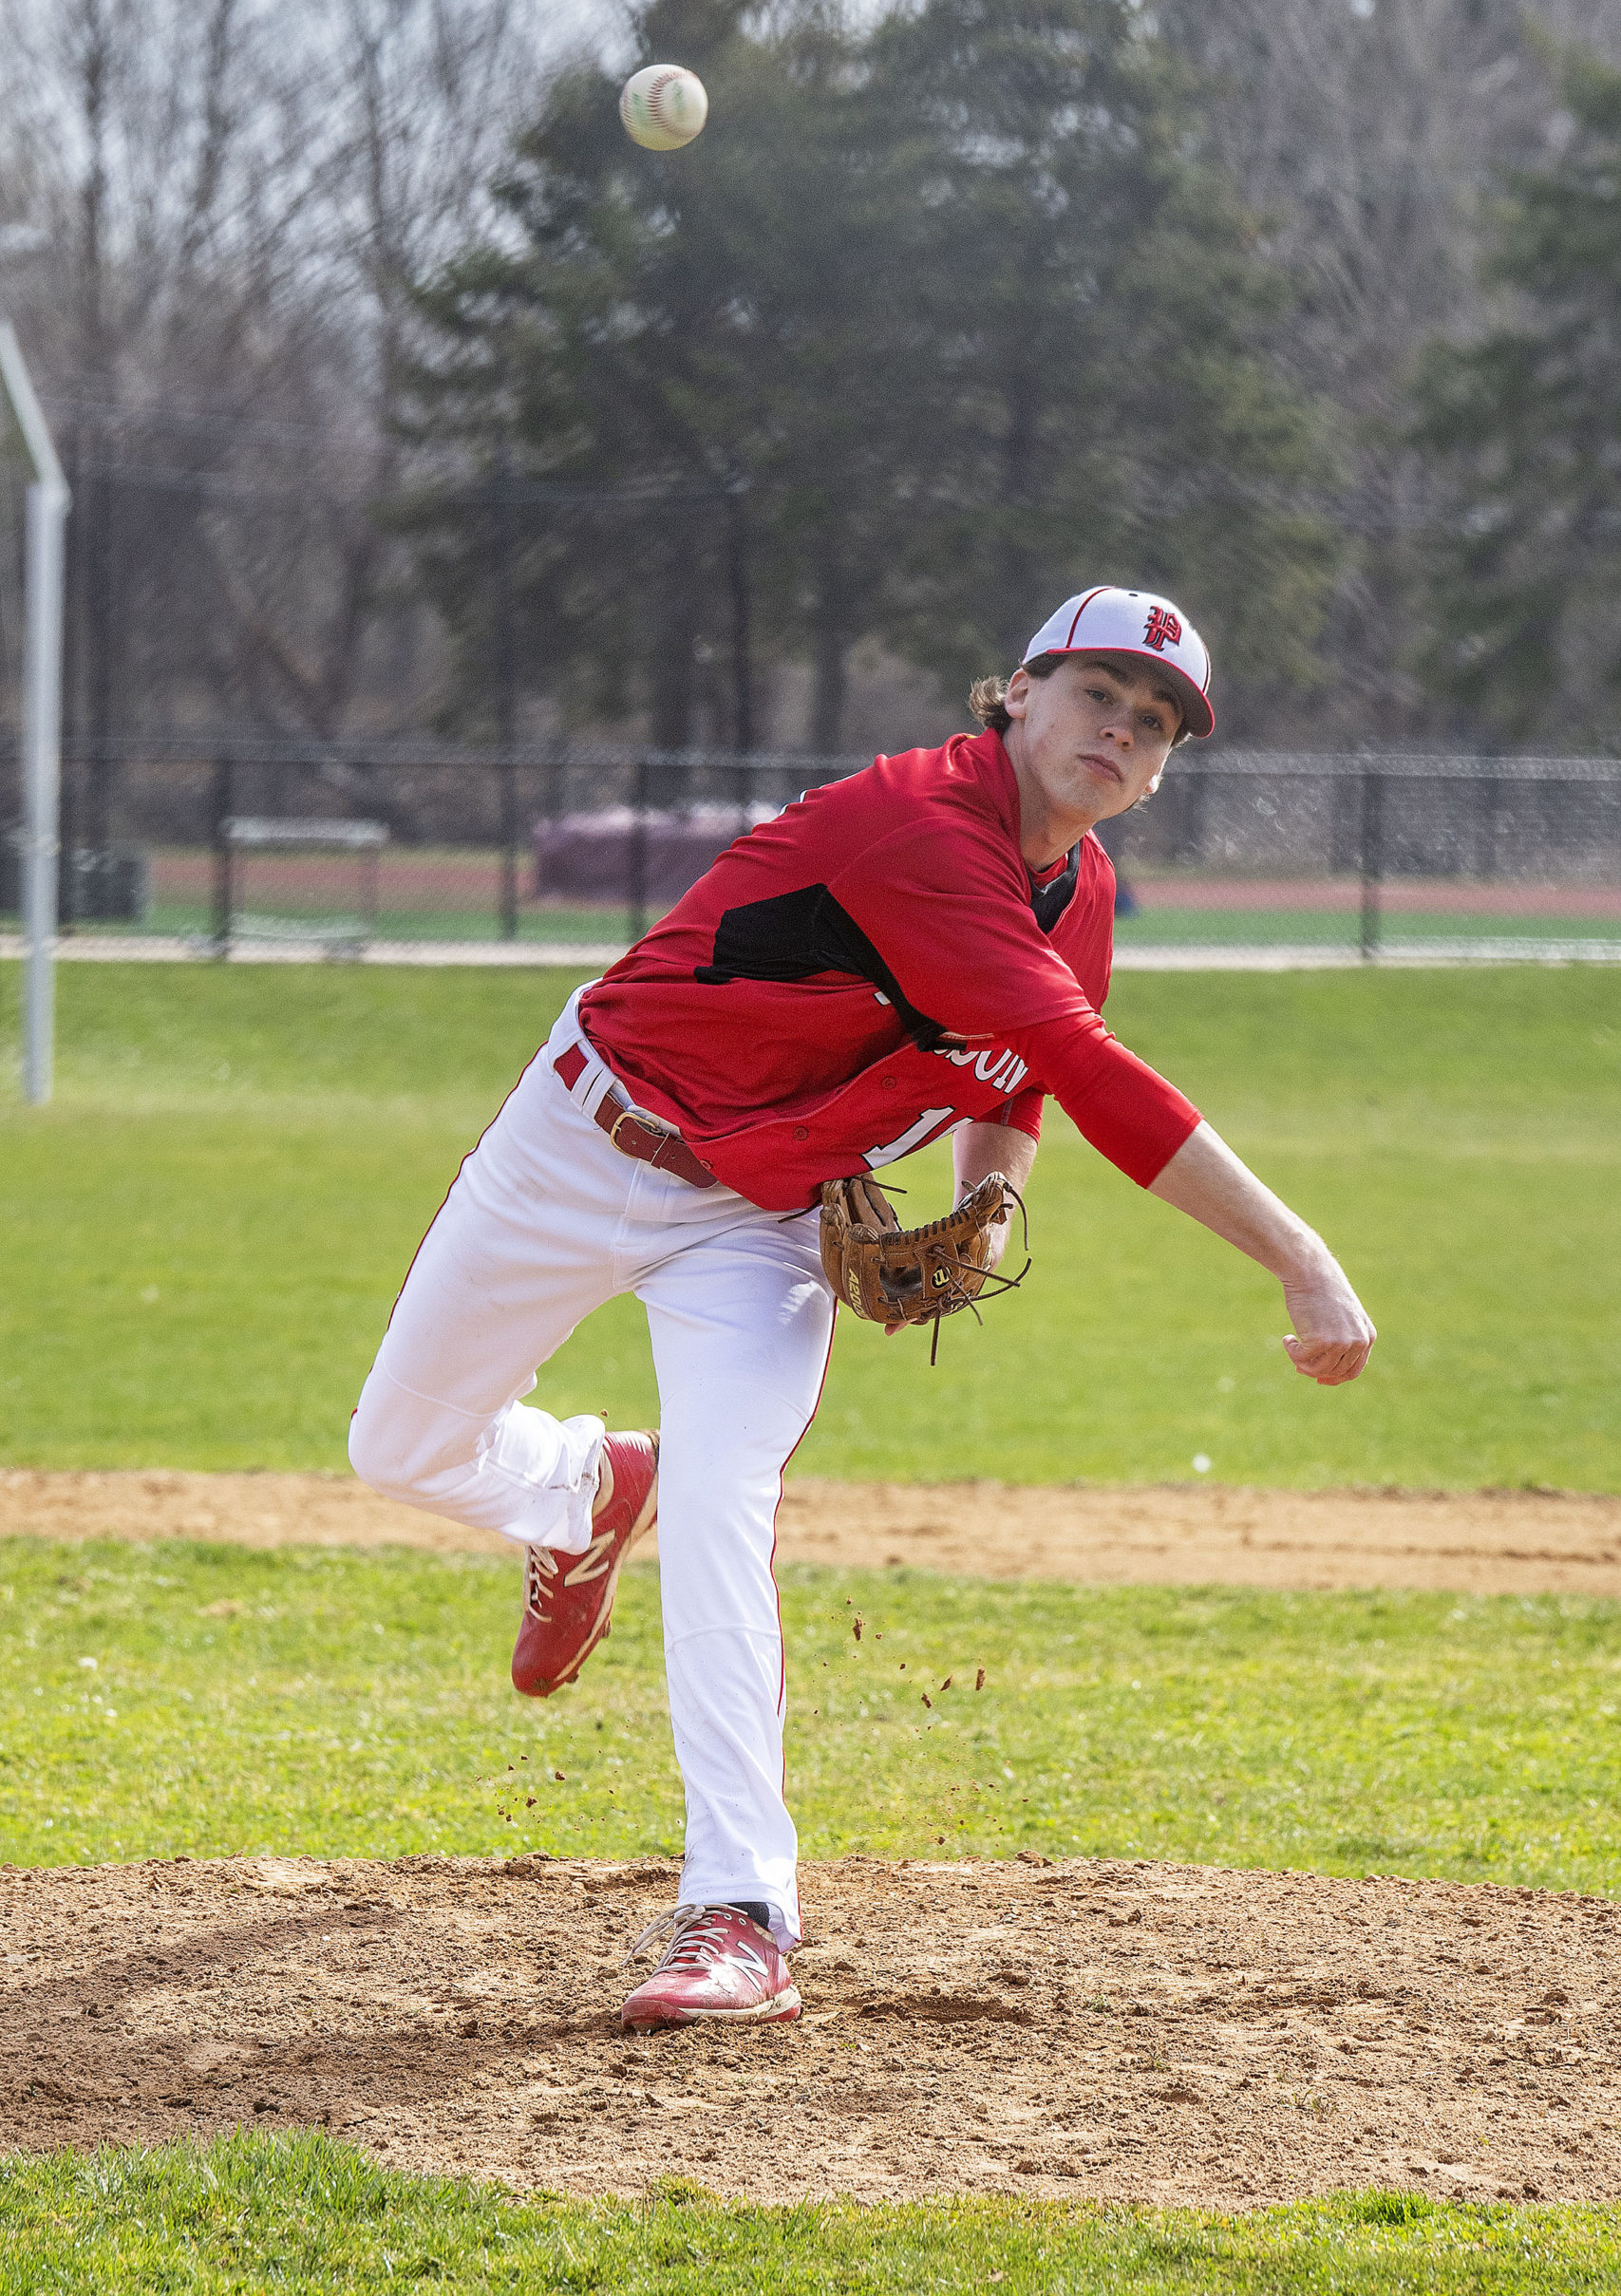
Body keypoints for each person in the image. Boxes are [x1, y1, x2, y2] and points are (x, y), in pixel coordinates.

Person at [349, 584, 1375, 2033]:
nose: (1123, 733)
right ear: (1013, 694)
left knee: (722, 1503)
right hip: (581, 1145)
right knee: (395, 1451)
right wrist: (1300, 1254)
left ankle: (739, 1910)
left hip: (760, 1217)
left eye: (1154, 727)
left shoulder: (1073, 893)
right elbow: (1095, 1076)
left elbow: (1017, 1082)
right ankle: (579, 1490)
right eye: (1097, 695)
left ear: (1159, 772)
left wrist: (993, 1194)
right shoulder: (923, 832)